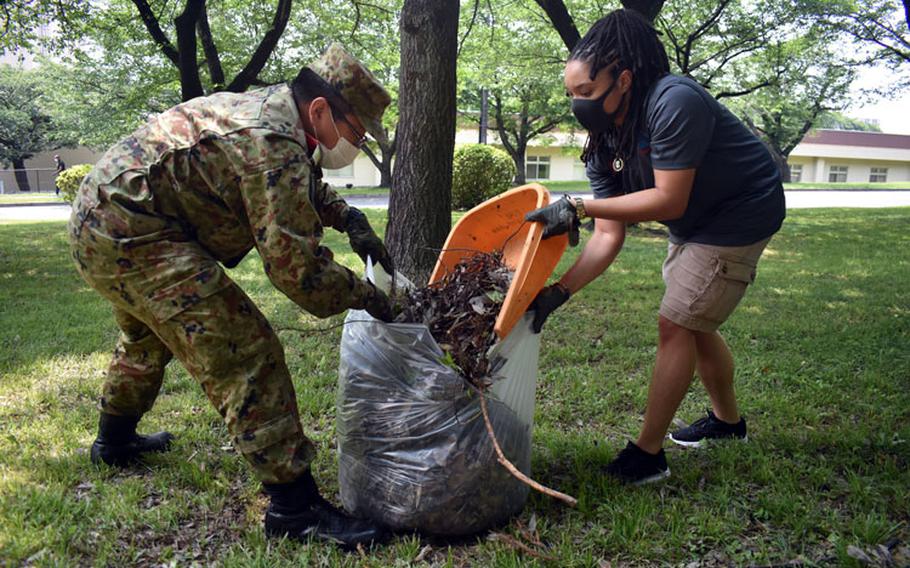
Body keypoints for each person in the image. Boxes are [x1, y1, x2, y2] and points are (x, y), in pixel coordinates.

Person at [68, 44, 396, 547]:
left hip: (105, 217)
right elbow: (299, 274)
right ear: (320, 110)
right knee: (243, 348)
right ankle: (295, 510)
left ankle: (113, 443)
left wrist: (348, 218)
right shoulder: (272, 139)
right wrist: (374, 298)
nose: (356, 144)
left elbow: (296, 180)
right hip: (132, 231)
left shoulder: (273, 114)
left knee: (145, 340)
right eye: (356, 132)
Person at [525, 10, 785, 485]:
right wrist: (559, 292)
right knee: (695, 320)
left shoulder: (673, 101)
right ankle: (729, 425)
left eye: (585, 92)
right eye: (571, 95)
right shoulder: (604, 139)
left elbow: (669, 199)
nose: (576, 104)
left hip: (742, 209)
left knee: (676, 321)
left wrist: (579, 205)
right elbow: (608, 232)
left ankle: (648, 456)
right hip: (695, 220)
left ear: (623, 78)